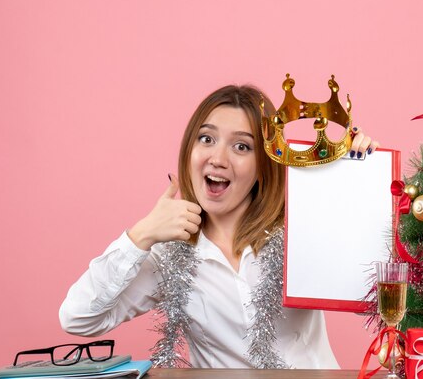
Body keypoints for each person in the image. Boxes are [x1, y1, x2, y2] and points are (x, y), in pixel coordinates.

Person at [59, 84, 378, 369]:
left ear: (263, 165)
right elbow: (77, 317)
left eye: (242, 146)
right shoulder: (169, 257)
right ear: (189, 150)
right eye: (206, 139)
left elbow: (377, 295)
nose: (218, 158)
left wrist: (357, 177)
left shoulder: (299, 233)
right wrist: (140, 235)